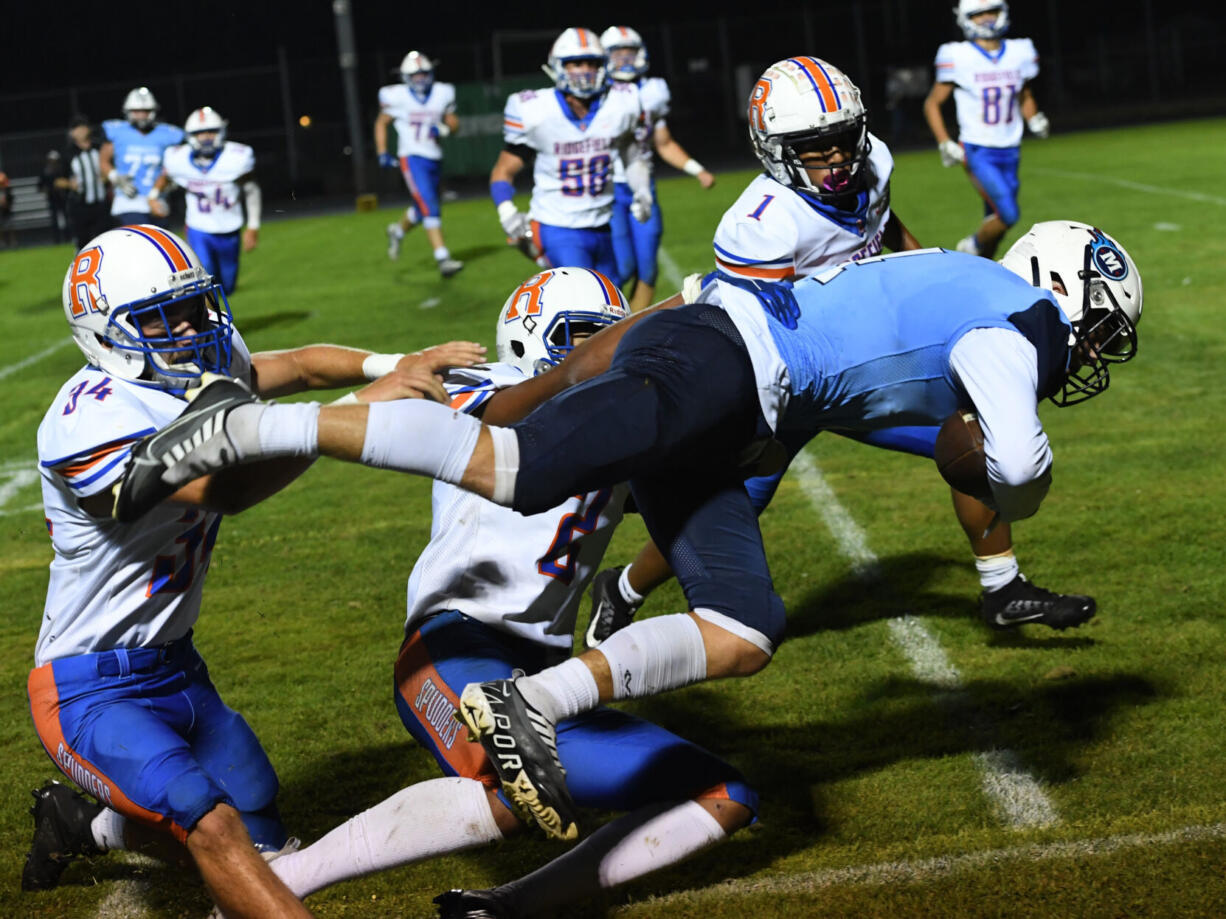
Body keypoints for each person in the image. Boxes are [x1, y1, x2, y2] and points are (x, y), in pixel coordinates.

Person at [111, 220, 1144, 848]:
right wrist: (1016, 476)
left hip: (729, 386)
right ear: (1064, 291)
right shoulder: (1016, 323)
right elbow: (1011, 463)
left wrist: (554, 380)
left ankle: (534, 703)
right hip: (719, 366)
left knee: (743, 626)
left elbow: (891, 413)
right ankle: (246, 423)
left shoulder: (957, 304)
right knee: (514, 473)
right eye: (1097, 324)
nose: (1091, 348)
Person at [252, 268, 755, 918]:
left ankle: (508, 906)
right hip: (453, 648)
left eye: (607, 337)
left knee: (725, 790)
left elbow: (702, 510)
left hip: (546, 676)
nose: (601, 352)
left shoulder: (625, 427)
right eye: (581, 338)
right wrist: (665, 311)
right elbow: (511, 416)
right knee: (515, 780)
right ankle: (277, 883)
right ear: (526, 340)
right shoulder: (485, 393)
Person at [22, 224, 484, 917]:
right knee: (206, 818)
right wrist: (361, 409)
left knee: (264, 826)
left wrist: (393, 361)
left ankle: (85, 823)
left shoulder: (196, 355)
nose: (188, 328)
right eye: (158, 317)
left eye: (192, 305)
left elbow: (293, 362)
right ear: (104, 333)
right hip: (87, 685)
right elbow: (228, 490)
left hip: (176, 663)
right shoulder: (90, 417)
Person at [584, 56, 1085, 650]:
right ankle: (622, 590)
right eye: (816, 148)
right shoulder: (761, 224)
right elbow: (747, 335)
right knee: (737, 503)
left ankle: (1002, 587)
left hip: (876, 370)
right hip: (796, 382)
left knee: (971, 432)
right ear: (775, 149)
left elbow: (886, 227)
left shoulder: (873, 164)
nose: (839, 158)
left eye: (844, 140)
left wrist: (929, 273)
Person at [489, 27, 652, 283]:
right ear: (558, 67)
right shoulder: (535, 110)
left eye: (592, 63)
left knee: (614, 304)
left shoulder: (622, 103)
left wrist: (642, 190)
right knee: (585, 299)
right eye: (576, 63)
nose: (585, 70)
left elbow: (631, 154)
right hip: (558, 226)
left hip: (602, 224)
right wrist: (507, 211)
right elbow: (503, 171)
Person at [599, 26, 715, 312]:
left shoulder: (653, 91)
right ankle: (603, 327)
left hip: (643, 187)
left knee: (648, 270)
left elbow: (663, 143)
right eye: (617, 52)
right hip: (609, 188)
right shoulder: (598, 96)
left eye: (630, 51)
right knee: (622, 269)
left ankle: (628, 332)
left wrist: (697, 169)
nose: (625, 58)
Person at [922, 0, 1050, 258]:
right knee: (1008, 213)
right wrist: (944, 141)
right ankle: (970, 247)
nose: (987, 18)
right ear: (966, 18)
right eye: (979, 14)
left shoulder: (1018, 51)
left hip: (1011, 148)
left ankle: (983, 266)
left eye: (991, 11)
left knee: (995, 221)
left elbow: (1024, 95)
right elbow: (932, 103)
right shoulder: (958, 55)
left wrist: (1034, 117)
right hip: (977, 149)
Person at [154, 107, 261, 296]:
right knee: (204, 281)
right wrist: (154, 196)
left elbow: (251, 190)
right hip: (199, 228)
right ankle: (208, 323)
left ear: (222, 131)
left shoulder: (236, 157)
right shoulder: (177, 158)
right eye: (199, 133)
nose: (206, 137)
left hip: (229, 228)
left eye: (211, 131)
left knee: (227, 286)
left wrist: (253, 226)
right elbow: (166, 178)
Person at [375, 51, 464, 278]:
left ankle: (397, 231)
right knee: (430, 206)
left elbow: (454, 123)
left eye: (424, 74)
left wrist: (444, 128)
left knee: (422, 209)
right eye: (415, 75)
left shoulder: (443, 93)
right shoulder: (397, 96)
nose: (421, 79)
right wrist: (382, 152)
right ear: (406, 77)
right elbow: (381, 123)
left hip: (434, 156)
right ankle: (443, 258)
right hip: (411, 157)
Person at [99, 87, 186, 228]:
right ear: (128, 111)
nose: (141, 115)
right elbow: (103, 161)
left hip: (157, 198)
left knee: (161, 245)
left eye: (145, 111)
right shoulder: (117, 131)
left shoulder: (167, 133)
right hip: (128, 200)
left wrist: (171, 180)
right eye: (136, 111)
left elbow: (177, 162)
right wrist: (116, 178)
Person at [57, 115, 112, 251]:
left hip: (101, 204)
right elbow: (58, 180)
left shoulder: (99, 148)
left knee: (105, 241)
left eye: (82, 127)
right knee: (83, 243)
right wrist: (70, 184)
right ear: (71, 133)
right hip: (79, 205)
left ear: (88, 129)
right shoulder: (68, 154)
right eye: (76, 128)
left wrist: (107, 177)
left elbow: (112, 167)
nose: (80, 131)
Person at [38, 151, 70, 243]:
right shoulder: (45, 172)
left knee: (67, 218)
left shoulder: (62, 171)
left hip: (62, 198)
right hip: (52, 199)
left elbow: (67, 183)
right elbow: (40, 186)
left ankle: (68, 238)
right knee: (54, 220)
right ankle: (57, 240)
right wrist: (47, 190)